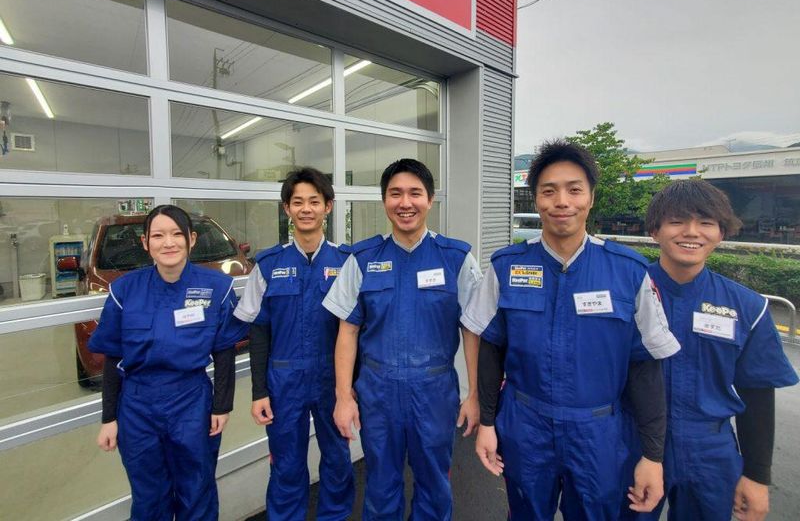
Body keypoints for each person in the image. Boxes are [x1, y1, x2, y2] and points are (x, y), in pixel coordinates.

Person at [462, 139, 681, 520]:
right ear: (536, 200)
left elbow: (646, 369)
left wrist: (652, 456)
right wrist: (487, 423)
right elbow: (491, 349)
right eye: (549, 191)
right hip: (525, 426)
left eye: (574, 190)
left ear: (591, 198)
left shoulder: (628, 272)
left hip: (599, 432)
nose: (561, 201)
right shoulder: (506, 267)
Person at [622, 179, 798, 521]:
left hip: (710, 451)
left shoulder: (747, 307)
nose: (691, 232)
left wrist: (757, 476)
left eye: (705, 222)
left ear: (721, 232)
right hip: (633, 442)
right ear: (655, 231)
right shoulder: (625, 294)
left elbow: (758, 394)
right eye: (676, 221)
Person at [323, 158, 483, 520]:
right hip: (378, 392)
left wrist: (474, 394)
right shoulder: (363, 259)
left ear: (430, 200)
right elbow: (347, 331)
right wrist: (343, 396)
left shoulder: (456, 258)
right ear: (385, 201)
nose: (405, 203)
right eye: (396, 194)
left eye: (415, 193)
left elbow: (473, 330)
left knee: (435, 484)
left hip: (435, 391)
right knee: (381, 486)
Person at [90, 204, 247, 521]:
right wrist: (109, 418)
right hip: (137, 407)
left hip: (191, 403)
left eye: (177, 234)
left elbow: (224, 352)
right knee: (149, 498)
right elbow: (112, 356)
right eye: (158, 235)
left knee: (196, 491)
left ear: (191, 239)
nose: (169, 243)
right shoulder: (124, 290)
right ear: (145, 242)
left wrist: (221, 406)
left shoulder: (216, 288)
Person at [233, 167, 354, 520]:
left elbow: (355, 330)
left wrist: (351, 390)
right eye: (298, 202)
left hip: (332, 381)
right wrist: (259, 391)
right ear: (287, 208)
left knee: (338, 460)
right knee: (286, 465)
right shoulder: (268, 265)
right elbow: (259, 332)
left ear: (328, 206)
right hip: (284, 382)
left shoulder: (347, 263)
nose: (306, 209)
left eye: (314, 201)